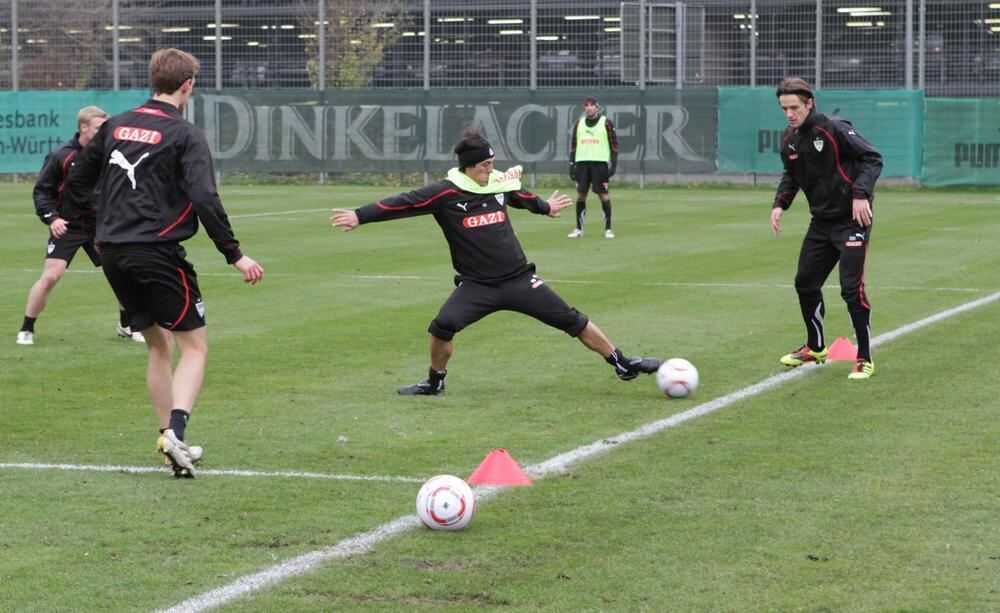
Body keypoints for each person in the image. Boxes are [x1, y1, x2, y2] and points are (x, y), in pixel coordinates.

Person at [331, 127, 660, 395]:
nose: (492, 170)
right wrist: (360, 216)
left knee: (573, 321)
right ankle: (435, 382)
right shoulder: (445, 193)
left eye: (492, 164)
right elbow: (401, 203)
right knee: (442, 327)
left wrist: (545, 207)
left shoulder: (497, 184)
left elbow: (519, 196)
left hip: (520, 280)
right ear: (469, 167)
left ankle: (622, 363)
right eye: (486, 166)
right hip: (477, 286)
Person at [65, 48, 264, 477]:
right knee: (194, 346)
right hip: (156, 251)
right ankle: (175, 432)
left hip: (113, 250)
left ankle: (167, 439)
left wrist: (101, 224)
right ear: (188, 84)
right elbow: (205, 197)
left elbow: (78, 178)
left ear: (152, 80)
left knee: (159, 344)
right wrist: (234, 253)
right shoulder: (184, 133)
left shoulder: (117, 124)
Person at [770, 77, 883, 380]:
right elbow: (791, 176)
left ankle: (864, 357)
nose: (789, 114)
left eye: (794, 107)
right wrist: (780, 204)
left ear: (810, 104)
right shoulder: (790, 140)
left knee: (851, 289)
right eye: (784, 109)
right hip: (821, 223)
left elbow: (871, 158)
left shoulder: (834, 128)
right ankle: (816, 346)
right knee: (805, 282)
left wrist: (861, 195)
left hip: (852, 221)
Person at [16, 106, 145, 346]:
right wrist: (52, 219)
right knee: (51, 276)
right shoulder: (60, 156)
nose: (103, 132)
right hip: (68, 225)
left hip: (101, 224)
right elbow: (42, 191)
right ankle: (26, 328)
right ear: (83, 127)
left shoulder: (110, 153)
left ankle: (128, 325)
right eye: (98, 128)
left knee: (122, 275)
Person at [567, 96, 619, 239]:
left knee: (603, 195)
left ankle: (608, 229)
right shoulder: (579, 124)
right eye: (586, 105)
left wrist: (613, 165)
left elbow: (614, 145)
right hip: (582, 163)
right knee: (581, 195)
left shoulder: (606, 123)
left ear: (597, 107)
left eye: (591, 105)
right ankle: (579, 229)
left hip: (599, 164)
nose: (589, 108)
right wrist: (571, 165)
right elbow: (573, 146)